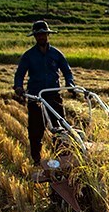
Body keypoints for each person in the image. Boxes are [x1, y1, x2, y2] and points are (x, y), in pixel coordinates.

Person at [13, 20, 75, 165]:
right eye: (38, 35)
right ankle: (36, 160)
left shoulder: (56, 54)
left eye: (44, 34)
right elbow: (19, 74)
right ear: (35, 37)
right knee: (36, 131)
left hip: (53, 95)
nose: (41, 37)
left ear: (48, 35)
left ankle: (62, 158)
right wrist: (18, 87)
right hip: (36, 97)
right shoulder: (29, 56)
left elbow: (67, 71)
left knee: (60, 128)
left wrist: (70, 84)